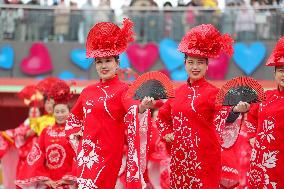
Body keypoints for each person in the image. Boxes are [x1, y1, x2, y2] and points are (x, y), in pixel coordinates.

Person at [156, 24, 250, 188]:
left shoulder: (215, 93)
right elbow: (162, 118)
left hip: (205, 159)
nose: (195, 67)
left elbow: (225, 117)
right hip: (181, 160)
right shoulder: (176, 93)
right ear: (185, 64)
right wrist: (167, 133)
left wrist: (235, 110)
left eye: (200, 63)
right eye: (191, 62)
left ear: (207, 66)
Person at [65, 18, 154, 189]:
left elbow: (133, 109)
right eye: (99, 62)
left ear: (117, 63)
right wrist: (79, 143)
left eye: (108, 61)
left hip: (109, 155)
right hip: (87, 155)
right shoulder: (87, 91)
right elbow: (73, 120)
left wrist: (142, 107)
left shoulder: (124, 89)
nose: (103, 65)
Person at [16, 80, 77, 188]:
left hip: (70, 183)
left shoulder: (75, 132)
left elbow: (80, 156)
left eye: (63, 111)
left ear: (69, 112)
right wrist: (44, 178)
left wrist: (69, 178)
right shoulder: (46, 131)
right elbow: (38, 154)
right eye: (57, 112)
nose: (60, 115)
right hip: (49, 184)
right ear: (53, 113)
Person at [246, 36, 284, 188]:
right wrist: (252, 136)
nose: (283, 74)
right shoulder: (265, 97)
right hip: (263, 161)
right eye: (281, 70)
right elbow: (251, 117)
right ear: (274, 74)